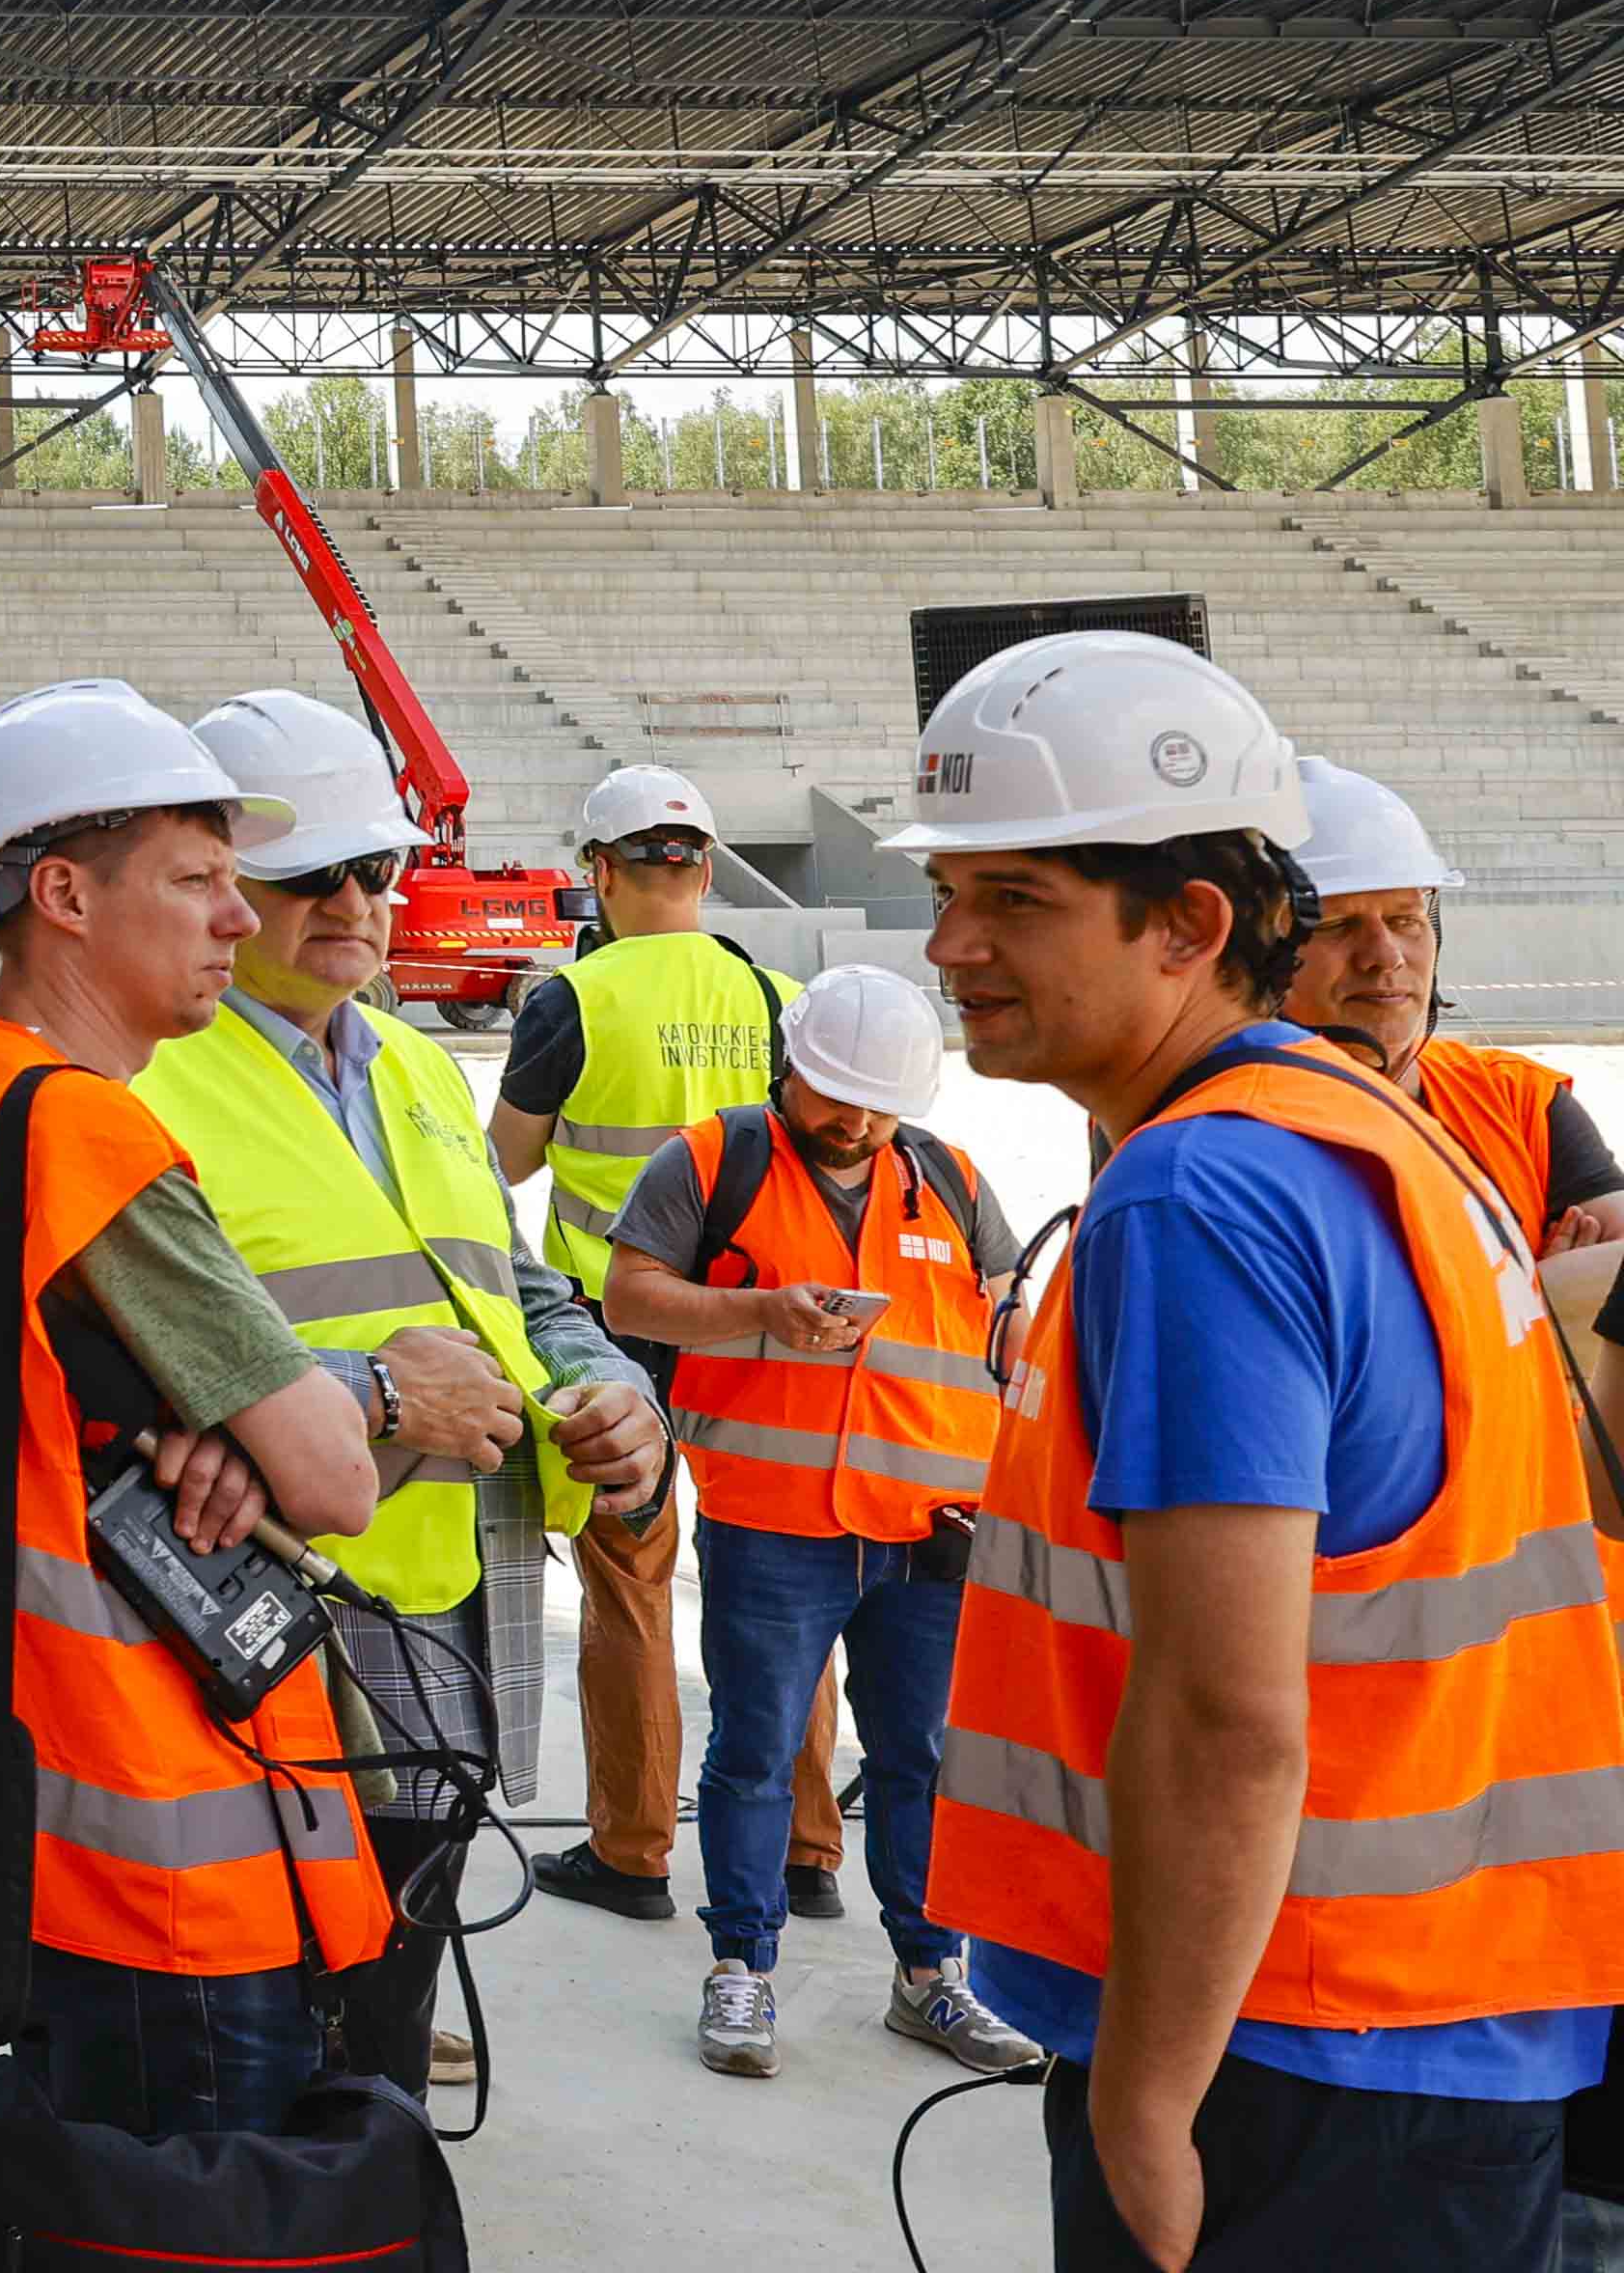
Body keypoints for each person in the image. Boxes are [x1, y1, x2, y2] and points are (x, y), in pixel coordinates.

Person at [895, 631, 1624, 2273]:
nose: (950, 945)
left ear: (1189, 924)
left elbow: (1226, 1714)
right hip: (1425, 2008)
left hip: (1292, 2044)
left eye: (1014, 897)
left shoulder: (1199, 1191)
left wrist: (1147, 2099)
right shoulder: (1357, 1131)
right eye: (946, 892)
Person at [0, 679, 392, 2147]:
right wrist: (380, 1388)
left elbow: (39, 1411)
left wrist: (193, 1430)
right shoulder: (89, 1133)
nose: (238, 916)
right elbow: (337, 1481)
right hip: (167, 1835)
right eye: (197, 879)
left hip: (25, 1805)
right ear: (64, 895)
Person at [128, 689, 662, 2095]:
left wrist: (611, 1389)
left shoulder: (418, 1063)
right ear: (221, 885)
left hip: (453, 1575)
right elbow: (118, 1384)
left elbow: (519, 1290)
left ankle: (373, 2117)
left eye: (377, 869)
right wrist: (372, 1393)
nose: (357, 904)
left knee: (409, 1904)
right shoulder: (148, 1082)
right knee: (274, 1956)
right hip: (268, 1587)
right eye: (312, 877)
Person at [599, 963, 1044, 2085]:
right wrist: (760, 1311)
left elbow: (1008, 1322)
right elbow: (630, 1296)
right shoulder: (712, 1160)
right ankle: (741, 1968)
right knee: (754, 1754)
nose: (854, 1124)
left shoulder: (949, 1179)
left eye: (878, 1107)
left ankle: (931, 1974)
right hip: (772, 1525)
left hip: (930, 1532)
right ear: (787, 1067)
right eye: (835, 1096)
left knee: (923, 1758)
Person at [493, 759, 821, 1927]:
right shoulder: (775, 996)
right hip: (749, 1328)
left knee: (630, 1590)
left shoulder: (572, 1000)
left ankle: (631, 1852)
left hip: (610, 1335)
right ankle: (807, 1851)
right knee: (782, 1586)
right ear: (705, 868)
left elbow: (505, 1164)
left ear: (600, 870)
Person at [1292, 760, 1624, 1254]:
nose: (1385, 956)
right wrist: (1543, 1289)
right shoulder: (1228, 1135)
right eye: (1336, 926)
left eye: (1404, 921)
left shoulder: (1516, 1101)